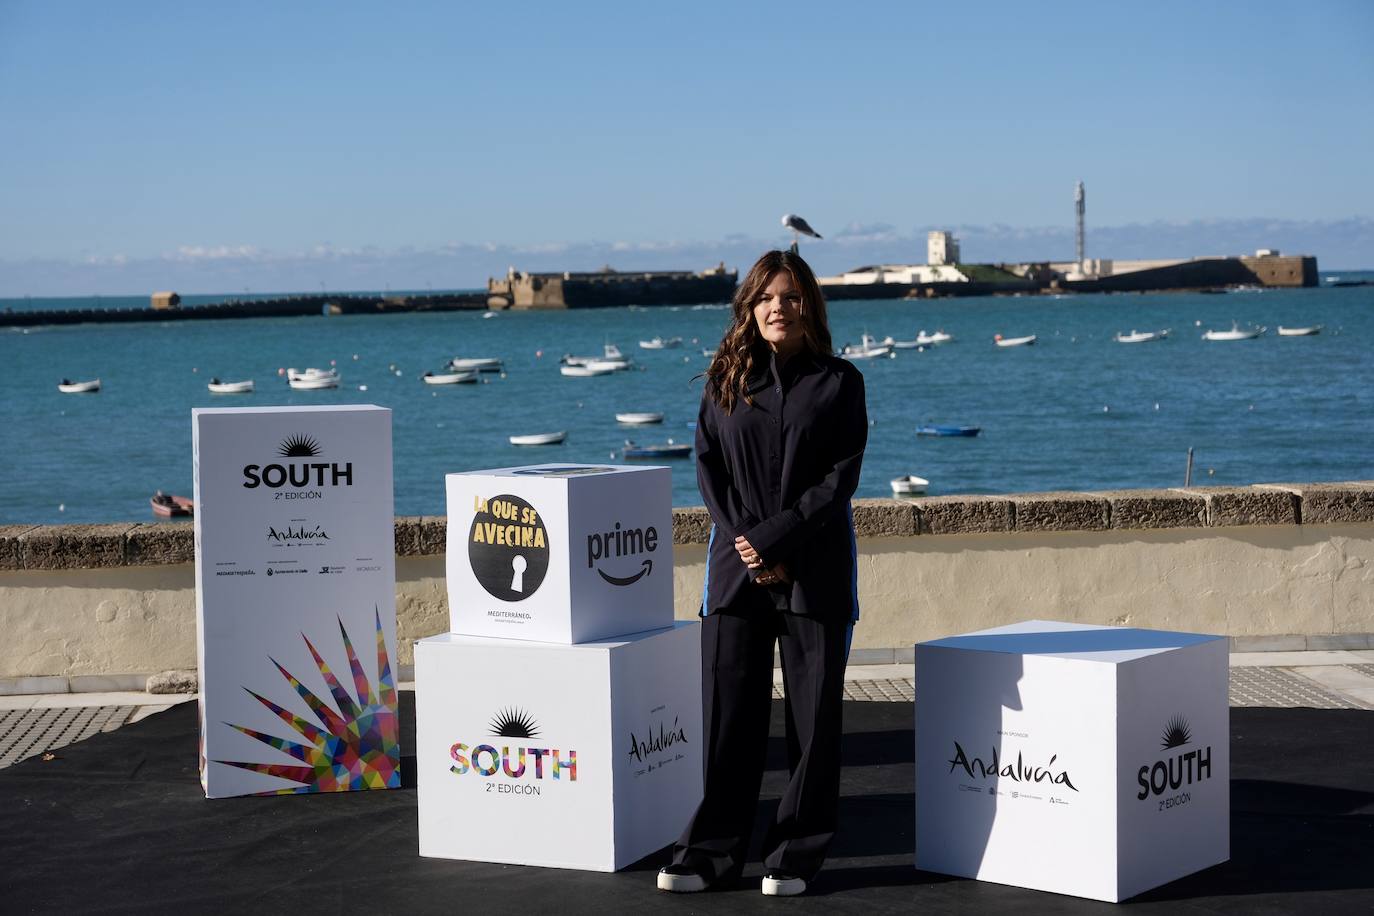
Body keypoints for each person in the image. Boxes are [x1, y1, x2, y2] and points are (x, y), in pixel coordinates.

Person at [658, 249, 867, 897]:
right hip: (733, 574)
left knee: (812, 725)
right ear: (749, 308)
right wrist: (750, 544)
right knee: (728, 719)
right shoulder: (724, 381)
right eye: (768, 297)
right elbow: (708, 468)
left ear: (811, 307)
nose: (780, 307)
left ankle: (795, 853)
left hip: (816, 573)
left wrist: (775, 540)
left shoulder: (840, 382)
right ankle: (710, 852)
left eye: (793, 296)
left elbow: (839, 479)